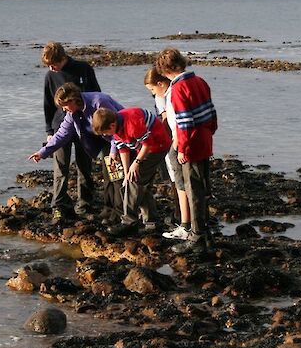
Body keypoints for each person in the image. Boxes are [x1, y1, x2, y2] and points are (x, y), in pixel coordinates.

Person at [29, 83, 124, 222]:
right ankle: (109, 209)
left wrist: (114, 151)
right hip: (102, 136)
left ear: (73, 99)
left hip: (119, 136)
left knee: (114, 174)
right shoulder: (72, 113)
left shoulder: (98, 101)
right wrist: (42, 152)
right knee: (106, 173)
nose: (64, 109)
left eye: (65, 105)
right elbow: (62, 134)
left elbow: (117, 126)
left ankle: (119, 212)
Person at [155, 48, 217, 254]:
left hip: (190, 143)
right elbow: (211, 112)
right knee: (202, 186)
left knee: (194, 189)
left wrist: (182, 147)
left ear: (165, 70)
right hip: (204, 138)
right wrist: (209, 132)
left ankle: (197, 236)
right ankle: (204, 232)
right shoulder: (200, 81)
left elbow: (184, 122)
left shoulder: (178, 88)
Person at [41, 42, 100, 221]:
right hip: (61, 127)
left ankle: (85, 204)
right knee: (60, 168)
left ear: (63, 58)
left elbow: (96, 94)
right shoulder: (50, 75)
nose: (52, 68)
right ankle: (59, 206)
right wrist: (49, 131)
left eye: (54, 64)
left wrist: (96, 126)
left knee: (85, 166)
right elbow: (48, 105)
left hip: (85, 127)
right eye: (49, 66)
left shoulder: (83, 69)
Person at [92, 107, 171, 237]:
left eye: (105, 132)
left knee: (135, 181)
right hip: (143, 148)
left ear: (112, 125)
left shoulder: (132, 124)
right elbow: (123, 149)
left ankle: (129, 222)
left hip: (157, 146)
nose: (106, 135)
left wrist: (137, 163)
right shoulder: (116, 127)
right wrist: (127, 171)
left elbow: (148, 144)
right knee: (135, 180)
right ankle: (152, 222)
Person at [144, 68, 190, 238]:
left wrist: (169, 142)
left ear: (160, 83)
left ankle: (183, 220)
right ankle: (184, 218)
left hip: (172, 141)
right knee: (176, 180)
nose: (152, 93)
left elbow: (168, 120)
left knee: (177, 180)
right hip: (174, 141)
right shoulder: (169, 93)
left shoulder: (166, 96)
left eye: (152, 89)